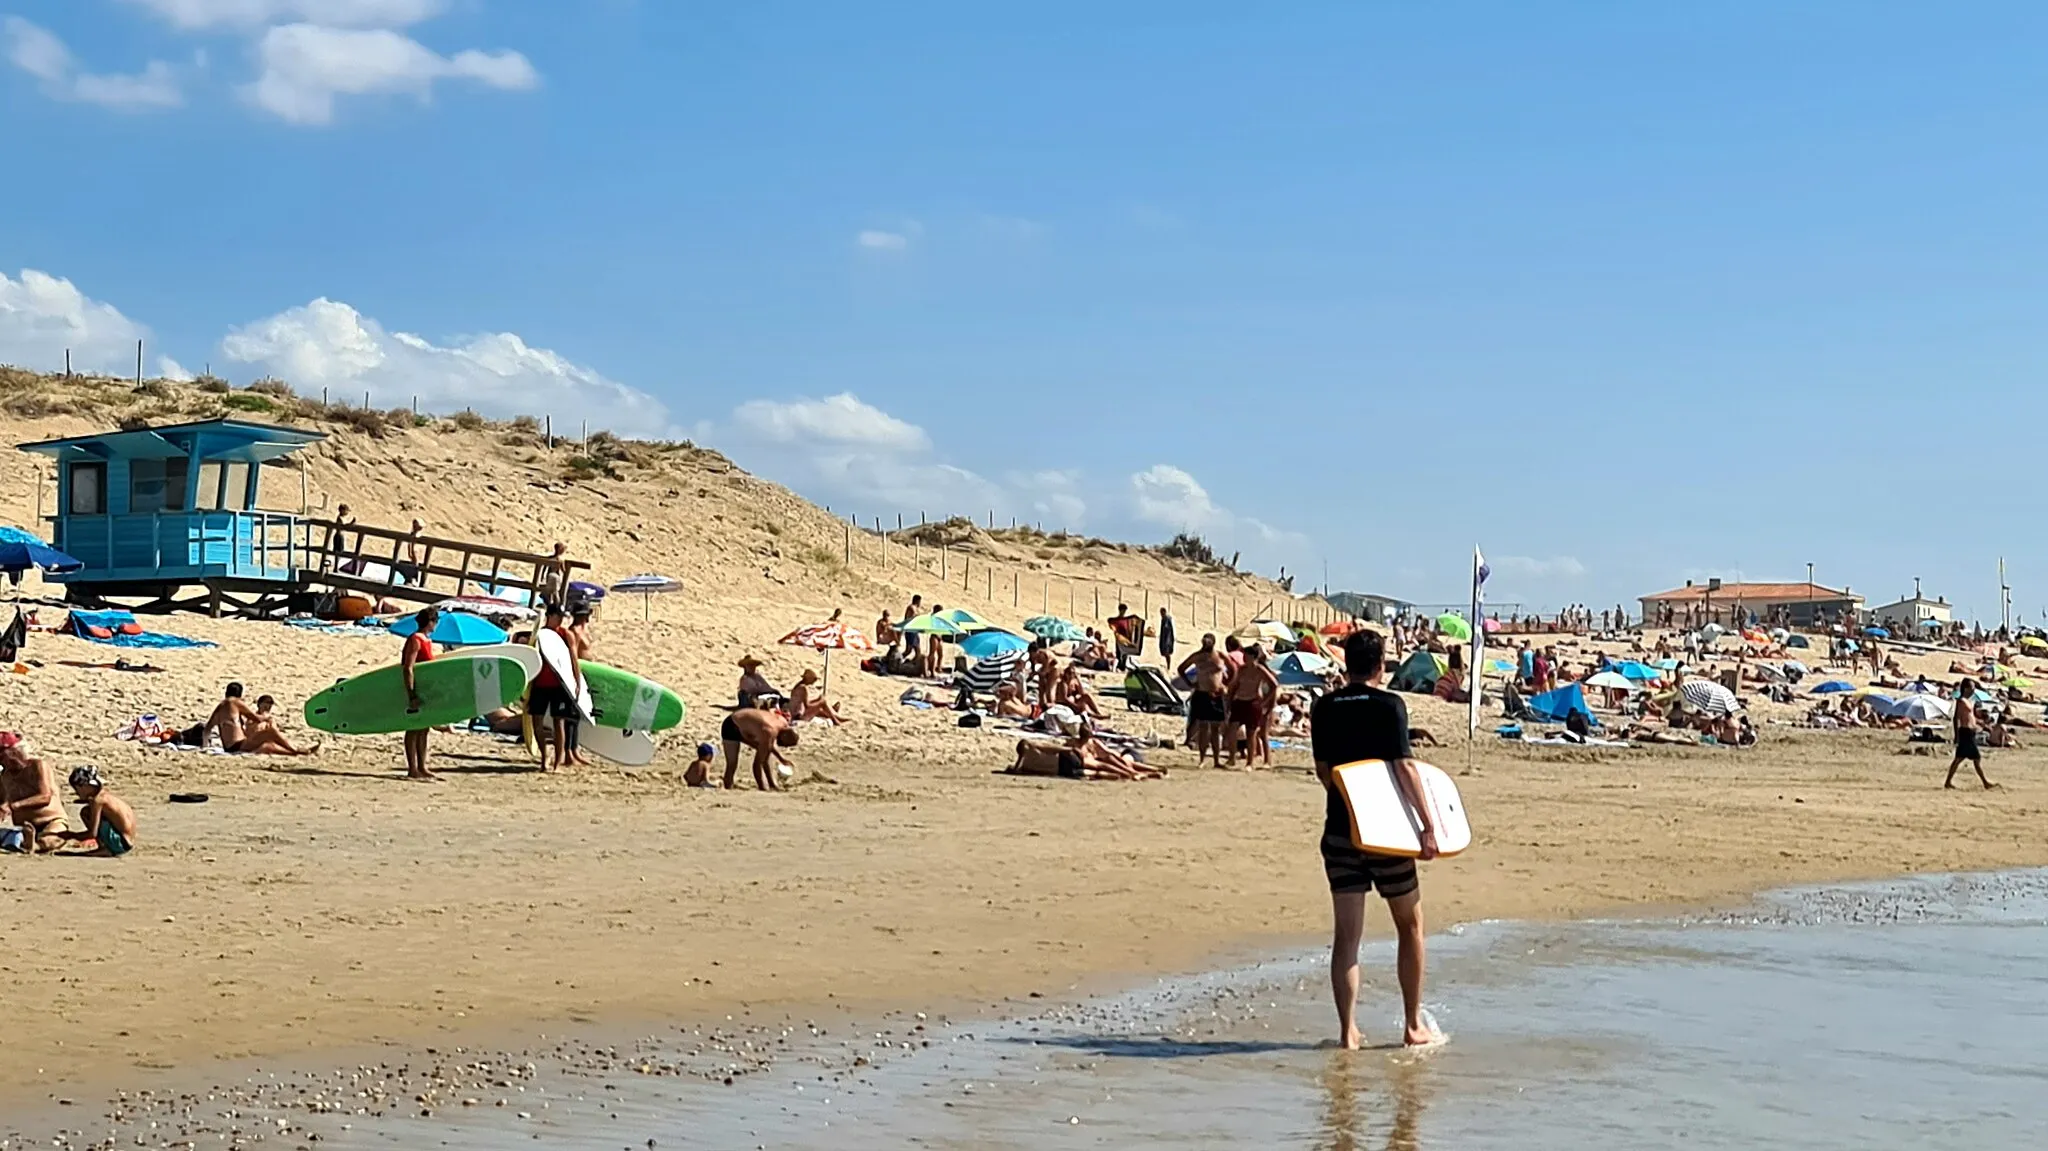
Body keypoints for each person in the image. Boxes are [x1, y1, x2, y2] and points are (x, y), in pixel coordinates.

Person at [1311, 628, 1441, 1050]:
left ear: (1346, 661)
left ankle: (1347, 1032)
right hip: (1386, 836)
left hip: (1340, 832)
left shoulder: (1324, 707)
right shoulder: (1390, 705)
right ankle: (1411, 1025)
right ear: (1381, 663)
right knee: (1410, 925)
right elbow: (1404, 767)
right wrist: (1427, 825)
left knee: (1347, 936)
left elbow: (1326, 772)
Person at [527, 605, 588, 771]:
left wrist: (577, 683)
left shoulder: (566, 634)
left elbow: (573, 659)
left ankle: (557, 763)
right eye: (558, 616)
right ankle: (544, 757)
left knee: (558, 722)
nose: (561, 619)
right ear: (549, 616)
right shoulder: (540, 635)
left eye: (562, 616)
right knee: (536, 721)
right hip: (539, 683)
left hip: (559, 685)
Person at [0, 733, 68, 853]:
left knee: (52, 839)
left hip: (51, 820)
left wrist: (15, 806)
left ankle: (35, 846)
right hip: (24, 827)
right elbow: (3, 802)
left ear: (14, 752)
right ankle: (25, 840)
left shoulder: (38, 766)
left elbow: (45, 797)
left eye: (2, 756)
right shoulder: (5, 776)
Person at [57, 766, 136, 857]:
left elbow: (92, 834)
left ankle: (104, 848)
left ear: (85, 786)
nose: (77, 793)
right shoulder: (104, 795)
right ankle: (107, 846)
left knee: (85, 812)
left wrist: (71, 835)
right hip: (127, 841)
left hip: (120, 843)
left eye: (77, 789)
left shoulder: (97, 801)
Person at [1179, 634, 1232, 768]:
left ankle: (1216, 760)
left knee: (1215, 729)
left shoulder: (1219, 656)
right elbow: (1181, 668)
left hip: (1216, 694)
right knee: (1203, 728)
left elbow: (1234, 669)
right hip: (1202, 693)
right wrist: (1190, 683)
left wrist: (1227, 684)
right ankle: (1202, 759)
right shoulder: (1197, 656)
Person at [720, 706, 799, 791]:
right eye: (785, 744)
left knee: (765, 752)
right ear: (785, 736)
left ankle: (772, 784)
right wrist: (762, 788)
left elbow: (768, 746)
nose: (783, 746)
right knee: (732, 763)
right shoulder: (769, 732)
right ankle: (728, 787)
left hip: (745, 723)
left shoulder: (782, 722)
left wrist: (781, 758)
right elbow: (757, 765)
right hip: (731, 725)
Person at [1227, 644, 1281, 767]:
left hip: (1253, 701)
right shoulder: (1241, 669)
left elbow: (1274, 684)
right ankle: (1231, 758)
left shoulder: (1259, 669)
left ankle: (1250, 763)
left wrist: (1265, 702)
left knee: (1251, 733)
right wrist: (1230, 700)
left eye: (1247, 656)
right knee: (1232, 730)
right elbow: (1234, 686)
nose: (1245, 658)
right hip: (1239, 701)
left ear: (1253, 657)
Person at [401, 606, 439, 780]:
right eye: (435, 621)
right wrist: (411, 694)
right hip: (415, 689)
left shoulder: (426, 639)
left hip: (425, 689)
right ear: (430, 622)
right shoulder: (415, 639)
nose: (436, 625)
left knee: (424, 728)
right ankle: (412, 768)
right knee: (414, 727)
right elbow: (408, 668)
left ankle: (422, 767)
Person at [1945, 679, 1996, 789]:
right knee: (1976, 758)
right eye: (1972, 688)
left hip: (1971, 731)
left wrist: (1982, 724)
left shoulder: (1970, 701)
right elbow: (1956, 718)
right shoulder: (1961, 701)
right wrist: (1956, 735)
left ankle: (1948, 782)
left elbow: (1971, 717)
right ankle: (1985, 782)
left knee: (1959, 758)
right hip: (1965, 731)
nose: (1973, 690)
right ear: (1966, 688)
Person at [1109, 604, 1140, 670]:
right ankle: (1119, 666)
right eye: (1123, 610)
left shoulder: (1127, 620)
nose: (1123, 612)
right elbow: (1110, 622)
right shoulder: (1117, 620)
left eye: (1124, 610)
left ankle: (1123, 666)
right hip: (1119, 639)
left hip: (1127, 639)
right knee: (1119, 653)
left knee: (1125, 653)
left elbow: (1135, 622)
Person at [396, 519, 427, 584]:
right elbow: (411, 550)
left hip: (413, 558)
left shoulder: (413, 535)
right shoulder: (413, 536)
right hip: (413, 559)